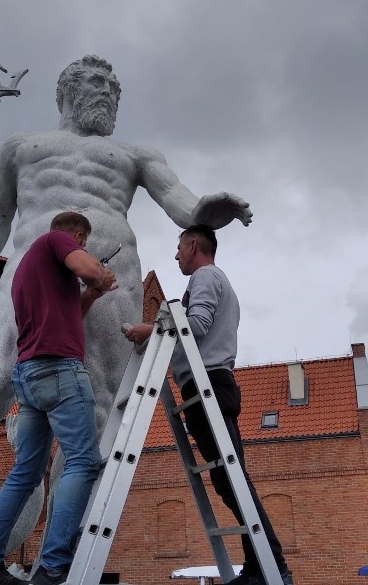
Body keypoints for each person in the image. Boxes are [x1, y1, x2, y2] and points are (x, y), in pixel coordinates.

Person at [0, 55, 252, 579]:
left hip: (114, 276)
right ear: (65, 92)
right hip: (33, 269)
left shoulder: (136, 154)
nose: (107, 93)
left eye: (114, 88)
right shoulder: (23, 148)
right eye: (95, 84)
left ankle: (60, 562)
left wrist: (211, 208)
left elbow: (185, 206)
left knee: (91, 423)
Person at [124, 226, 292, 585]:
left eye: (179, 247)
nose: (176, 255)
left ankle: (271, 564)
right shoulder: (213, 280)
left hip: (208, 386)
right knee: (228, 481)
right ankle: (259, 565)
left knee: (233, 481)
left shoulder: (205, 276)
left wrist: (148, 332)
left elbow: (196, 324)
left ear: (193, 245)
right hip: (208, 387)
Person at [0, 212, 116, 585]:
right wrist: (100, 274)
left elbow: (70, 313)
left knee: (26, 473)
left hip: (30, 375)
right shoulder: (55, 241)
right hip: (59, 371)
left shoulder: (28, 271)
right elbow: (89, 269)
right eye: (81, 244)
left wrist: (92, 294)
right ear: (78, 237)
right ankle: (52, 569)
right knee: (82, 463)